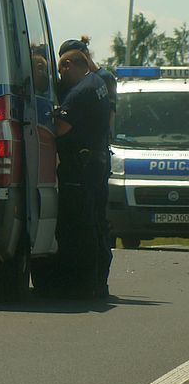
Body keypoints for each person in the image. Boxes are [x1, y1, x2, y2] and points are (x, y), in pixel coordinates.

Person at [59, 36, 117, 296]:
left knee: (82, 225)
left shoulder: (81, 91)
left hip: (84, 167)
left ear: (69, 63)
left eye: (61, 71)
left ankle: (85, 284)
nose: (61, 78)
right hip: (98, 161)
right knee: (97, 223)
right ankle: (97, 282)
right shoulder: (100, 82)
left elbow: (61, 128)